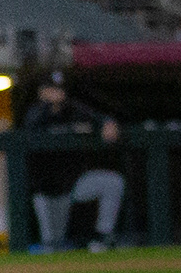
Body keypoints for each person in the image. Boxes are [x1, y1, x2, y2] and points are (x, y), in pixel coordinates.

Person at [22, 72, 125, 253]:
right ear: (42, 92)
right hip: (44, 188)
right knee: (52, 243)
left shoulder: (74, 109)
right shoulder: (35, 112)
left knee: (113, 183)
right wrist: (49, 106)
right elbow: (32, 126)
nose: (57, 93)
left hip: (73, 183)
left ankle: (103, 236)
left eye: (60, 89)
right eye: (52, 89)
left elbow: (100, 118)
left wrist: (108, 123)